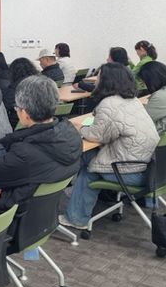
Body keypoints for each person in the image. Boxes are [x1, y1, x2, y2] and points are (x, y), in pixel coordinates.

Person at [59, 63, 159, 230]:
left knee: (84, 162)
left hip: (128, 170)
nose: (95, 80)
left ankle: (71, 210)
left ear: (107, 80)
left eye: (98, 77)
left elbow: (96, 135)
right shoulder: (132, 100)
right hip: (149, 167)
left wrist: (79, 129)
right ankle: (74, 205)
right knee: (87, 165)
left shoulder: (109, 104)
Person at [0, 75, 82, 215]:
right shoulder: (71, 135)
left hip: (13, 214)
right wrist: (0, 181)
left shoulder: (25, 153)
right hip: (42, 214)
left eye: (17, 108)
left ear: (25, 113)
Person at [3, 58, 39, 127]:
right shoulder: (40, 82)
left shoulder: (14, 88)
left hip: (18, 122)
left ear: (13, 72)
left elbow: (6, 105)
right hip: (40, 119)